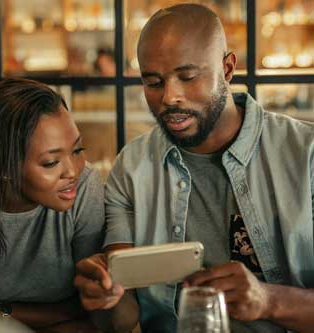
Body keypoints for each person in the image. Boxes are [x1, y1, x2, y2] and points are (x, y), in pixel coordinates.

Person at [74, 3, 314, 333]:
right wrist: (105, 295)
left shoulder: (306, 155)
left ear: (228, 68)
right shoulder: (131, 169)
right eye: (153, 82)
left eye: (188, 77)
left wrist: (267, 299)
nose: (170, 97)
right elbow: (123, 319)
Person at [0, 78, 136, 333]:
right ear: (3, 168)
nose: (73, 171)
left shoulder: (85, 187)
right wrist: (60, 316)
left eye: (78, 150)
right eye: (50, 162)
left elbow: (107, 317)